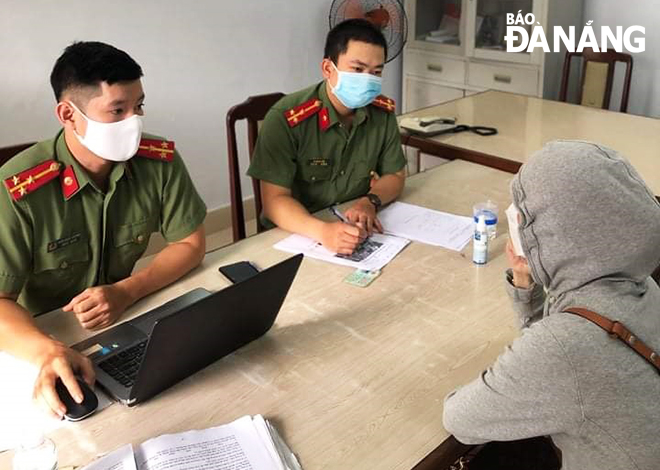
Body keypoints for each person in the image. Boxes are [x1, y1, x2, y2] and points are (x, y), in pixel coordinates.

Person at [0, 42, 207, 419]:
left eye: (138, 106)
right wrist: (46, 351)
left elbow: (191, 242)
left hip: (125, 320)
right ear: (68, 114)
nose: (135, 121)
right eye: (118, 110)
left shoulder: (157, 161)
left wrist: (127, 291)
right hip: (39, 339)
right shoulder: (19, 190)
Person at [442, 140, 660, 470]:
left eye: (524, 214)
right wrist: (525, 279)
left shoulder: (566, 348)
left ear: (556, 230)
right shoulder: (643, 286)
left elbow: (460, 419)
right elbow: (560, 356)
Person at [247, 19, 406, 255]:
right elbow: (273, 202)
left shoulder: (381, 114)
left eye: (377, 72)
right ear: (328, 69)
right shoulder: (287, 118)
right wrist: (323, 232)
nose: (368, 80)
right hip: (296, 234)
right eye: (358, 69)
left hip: (353, 229)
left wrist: (369, 201)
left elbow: (395, 175)